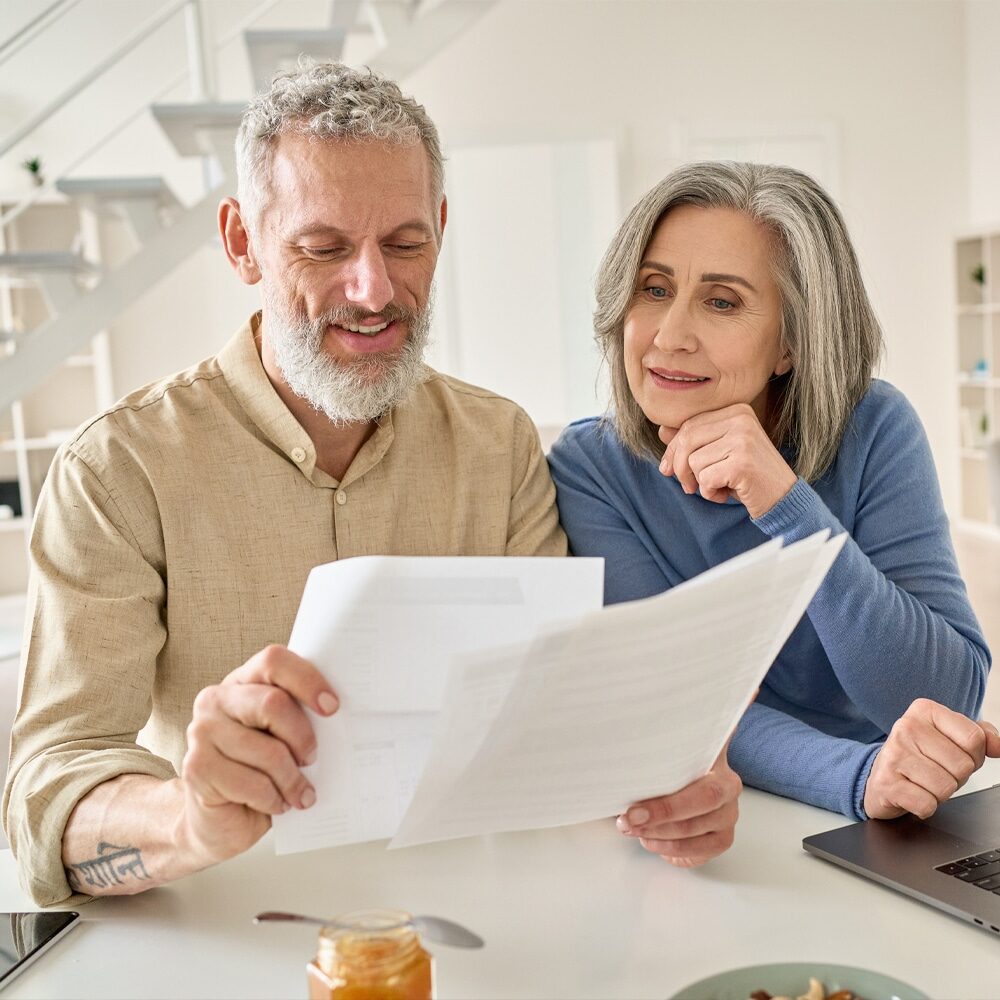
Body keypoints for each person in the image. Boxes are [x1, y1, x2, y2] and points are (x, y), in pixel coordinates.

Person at [2, 64, 736, 908]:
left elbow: (558, 715)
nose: (375, 290)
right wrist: (186, 818)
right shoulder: (118, 470)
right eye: (323, 248)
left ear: (443, 228)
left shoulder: (498, 445)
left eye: (406, 243)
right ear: (242, 243)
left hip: (478, 923)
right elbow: (50, 788)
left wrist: (669, 779)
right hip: (229, 931)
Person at [549, 161, 998, 827]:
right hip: (720, 812)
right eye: (653, 289)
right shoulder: (590, 467)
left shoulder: (875, 427)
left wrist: (788, 506)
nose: (669, 335)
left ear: (791, 341)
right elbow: (677, 700)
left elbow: (942, 695)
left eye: (722, 301)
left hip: (887, 818)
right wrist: (855, 776)